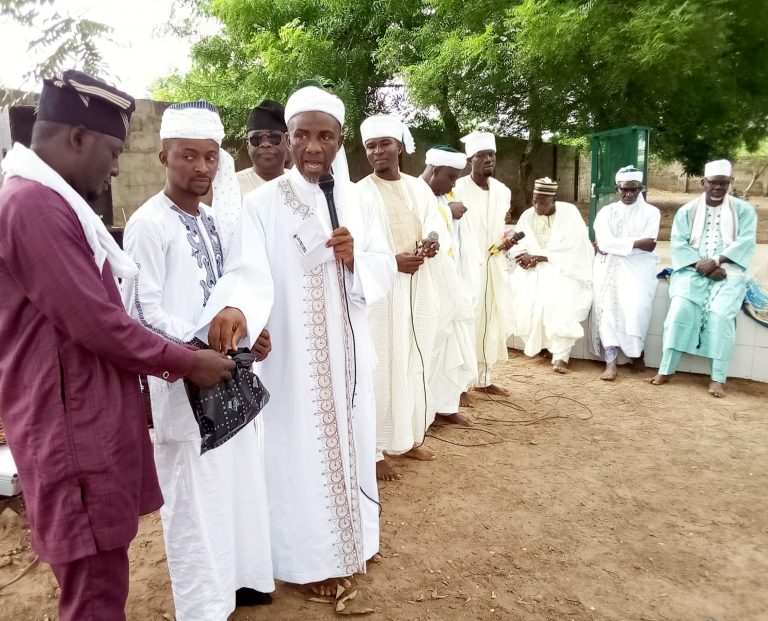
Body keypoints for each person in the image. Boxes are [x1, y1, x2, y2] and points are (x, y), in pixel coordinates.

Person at [0, 71, 234, 621]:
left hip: (84, 417)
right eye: (112, 152)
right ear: (77, 137)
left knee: (102, 580)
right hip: (73, 432)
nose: (115, 168)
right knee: (96, 593)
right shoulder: (33, 205)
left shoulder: (44, 200)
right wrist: (187, 361)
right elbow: (98, 324)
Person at [200, 84, 396, 596]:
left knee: (354, 443)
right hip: (294, 358)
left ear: (339, 141)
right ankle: (308, 562)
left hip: (349, 356)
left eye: (325, 136)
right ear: (288, 139)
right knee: (299, 454)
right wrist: (239, 311)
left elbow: (384, 267)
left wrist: (356, 260)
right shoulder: (262, 204)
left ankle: (355, 543)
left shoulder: (361, 201)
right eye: (302, 135)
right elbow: (247, 271)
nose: (313, 146)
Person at [121, 100, 275, 621]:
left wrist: (248, 332)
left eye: (210, 156)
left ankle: (244, 580)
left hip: (224, 375)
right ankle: (205, 605)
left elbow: (230, 290)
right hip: (180, 382)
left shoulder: (215, 220)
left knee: (237, 481)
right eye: (188, 155)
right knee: (194, 496)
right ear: (163, 156)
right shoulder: (149, 224)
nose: (201, 167)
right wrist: (196, 351)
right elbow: (141, 312)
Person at [357, 116, 443, 481]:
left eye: (384, 144)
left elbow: (434, 222)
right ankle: (374, 449)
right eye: (371, 146)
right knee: (380, 368)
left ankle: (406, 438)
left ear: (400, 147)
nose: (377, 151)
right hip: (381, 293)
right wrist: (393, 262)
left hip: (416, 286)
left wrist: (433, 242)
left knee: (413, 361)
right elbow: (355, 251)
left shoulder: (417, 188)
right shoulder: (358, 193)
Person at [650, 159, 758, 397]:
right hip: (692, 272)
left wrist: (717, 261)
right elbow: (678, 244)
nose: (718, 187)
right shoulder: (687, 211)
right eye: (713, 182)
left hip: (728, 273)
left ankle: (718, 378)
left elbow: (746, 242)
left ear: (730, 182)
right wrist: (706, 267)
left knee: (721, 318)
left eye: (723, 182)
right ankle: (666, 369)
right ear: (703, 182)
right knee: (678, 313)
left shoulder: (744, 211)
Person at [420, 145, 480, 425]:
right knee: (429, 348)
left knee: (450, 347)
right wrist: (447, 211)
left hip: (452, 284)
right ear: (434, 171)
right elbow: (420, 225)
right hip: (427, 285)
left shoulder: (447, 197)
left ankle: (446, 407)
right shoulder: (415, 192)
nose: (454, 184)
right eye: (451, 177)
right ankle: (424, 413)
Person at [510, 177, 594, 373]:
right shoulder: (528, 215)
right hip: (535, 270)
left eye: (542, 203)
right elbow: (519, 244)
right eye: (534, 201)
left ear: (554, 199)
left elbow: (576, 248)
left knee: (560, 303)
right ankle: (544, 347)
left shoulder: (569, 213)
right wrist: (524, 258)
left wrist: (538, 257)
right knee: (526, 300)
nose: (537, 206)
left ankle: (561, 357)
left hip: (565, 270)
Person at [455, 131, 513, 395]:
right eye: (481, 155)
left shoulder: (502, 191)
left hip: (493, 265)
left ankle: (484, 379)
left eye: (491, 154)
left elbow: (498, 228)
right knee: (465, 321)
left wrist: (506, 242)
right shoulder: (457, 188)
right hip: (466, 266)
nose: (488, 159)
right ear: (471, 160)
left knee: (490, 320)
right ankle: (458, 387)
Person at [590, 166, 660, 380]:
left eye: (634, 189)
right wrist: (635, 243)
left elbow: (650, 245)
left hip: (639, 269)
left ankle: (637, 353)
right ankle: (610, 364)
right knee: (608, 311)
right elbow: (603, 242)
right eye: (624, 189)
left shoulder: (652, 212)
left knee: (636, 309)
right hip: (608, 268)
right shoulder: (606, 212)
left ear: (641, 189)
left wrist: (614, 245)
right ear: (617, 189)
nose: (629, 194)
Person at [237, 99, 288, 195]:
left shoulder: (300, 184)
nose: (265, 144)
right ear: (248, 146)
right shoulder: (233, 186)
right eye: (256, 138)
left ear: (288, 142)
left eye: (273, 137)